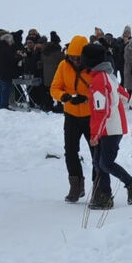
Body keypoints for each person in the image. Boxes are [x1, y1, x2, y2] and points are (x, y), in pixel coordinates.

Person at [82, 43, 132, 210]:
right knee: (98, 163)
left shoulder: (99, 79)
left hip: (109, 129)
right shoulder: (109, 76)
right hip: (112, 127)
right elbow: (124, 96)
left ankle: (131, 183)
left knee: (105, 164)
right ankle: (104, 197)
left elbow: (102, 110)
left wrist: (95, 135)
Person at [49, 35, 93, 203]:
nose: (75, 61)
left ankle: (98, 187)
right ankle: (76, 185)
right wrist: (66, 97)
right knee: (70, 152)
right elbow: (54, 88)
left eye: (79, 58)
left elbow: (101, 91)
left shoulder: (93, 68)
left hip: (90, 116)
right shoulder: (63, 65)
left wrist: (86, 98)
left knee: (96, 153)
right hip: (71, 115)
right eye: (72, 57)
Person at [0, 29, 21, 109]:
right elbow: (9, 60)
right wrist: (19, 57)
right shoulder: (5, 47)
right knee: (5, 91)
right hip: (6, 72)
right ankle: (4, 106)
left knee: (0, 90)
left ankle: (1, 105)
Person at [40, 32, 64, 109]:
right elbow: (63, 62)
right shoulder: (58, 52)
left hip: (46, 74)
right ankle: (59, 105)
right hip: (55, 74)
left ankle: (48, 105)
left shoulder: (44, 52)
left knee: (48, 91)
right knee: (58, 89)